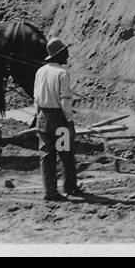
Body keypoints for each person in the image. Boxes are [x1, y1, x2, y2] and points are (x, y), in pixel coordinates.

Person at [34, 38, 82, 201]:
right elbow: (65, 101)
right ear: (59, 55)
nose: (67, 56)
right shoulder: (62, 73)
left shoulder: (40, 71)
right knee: (65, 154)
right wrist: (68, 121)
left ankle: (50, 191)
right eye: (65, 53)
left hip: (42, 118)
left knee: (47, 154)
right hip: (59, 120)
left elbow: (36, 98)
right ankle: (70, 187)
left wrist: (38, 117)